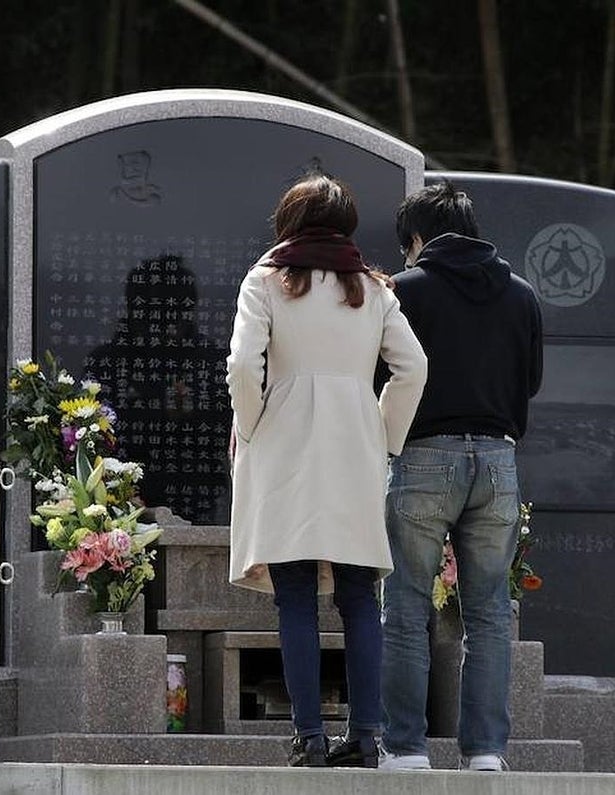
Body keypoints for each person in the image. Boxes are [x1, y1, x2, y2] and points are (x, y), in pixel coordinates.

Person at [225, 174, 428, 768]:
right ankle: (367, 736)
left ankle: (309, 736)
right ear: (348, 226)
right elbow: (412, 368)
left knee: (294, 597)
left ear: (290, 220)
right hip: (354, 448)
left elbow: (242, 364)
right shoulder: (374, 289)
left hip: (283, 445)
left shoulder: (266, 280)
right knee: (361, 596)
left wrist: (253, 424)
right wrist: (384, 434)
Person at [380, 180, 543, 771]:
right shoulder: (521, 294)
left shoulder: (406, 290)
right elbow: (530, 382)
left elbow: (386, 377)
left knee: (405, 605)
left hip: (424, 456)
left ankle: (404, 748)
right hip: (499, 461)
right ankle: (486, 752)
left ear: (417, 239)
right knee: (490, 613)